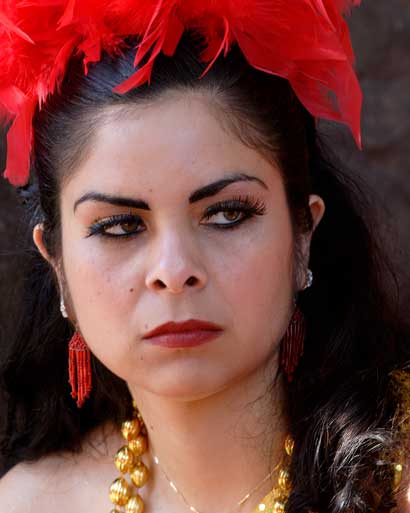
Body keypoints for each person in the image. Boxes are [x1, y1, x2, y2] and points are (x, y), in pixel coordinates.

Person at [0, 2, 409, 512]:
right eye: (120, 226)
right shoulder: (29, 503)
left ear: (302, 233)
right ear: (56, 264)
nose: (174, 272)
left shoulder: (394, 485)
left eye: (227, 214)